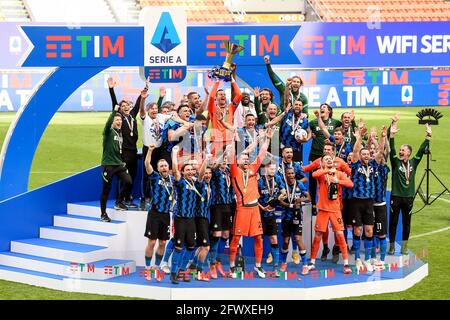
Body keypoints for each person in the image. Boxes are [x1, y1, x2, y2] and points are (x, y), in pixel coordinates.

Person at [229, 127, 274, 279]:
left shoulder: (253, 169)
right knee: (235, 238)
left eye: (248, 158)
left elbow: (261, 155)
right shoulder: (235, 171)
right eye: (243, 158)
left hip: (255, 209)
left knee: (259, 238)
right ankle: (232, 267)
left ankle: (258, 266)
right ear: (237, 161)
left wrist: (267, 139)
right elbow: (232, 155)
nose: (247, 160)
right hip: (242, 210)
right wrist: (234, 139)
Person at [302, 154, 354, 276]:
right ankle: (312, 262)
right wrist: (327, 170)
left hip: (335, 210)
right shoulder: (321, 173)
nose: (329, 160)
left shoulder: (339, 173)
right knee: (318, 235)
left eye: (330, 159)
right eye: (326, 159)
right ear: (323, 163)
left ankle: (346, 264)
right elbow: (314, 174)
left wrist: (338, 180)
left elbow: (350, 184)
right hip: (323, 210)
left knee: (340, 235)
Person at [388, 115, 432, 255]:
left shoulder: (413, 163)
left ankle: (405, 247)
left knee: (407, 224)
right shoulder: (395, 162)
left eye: (403, 150)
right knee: (393, 223)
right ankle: (392, 246)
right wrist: (392, 136)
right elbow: (392, 150)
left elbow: (420, 150)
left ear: (408, 153)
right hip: (395, 197)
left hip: (408, 198)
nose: (400, 152)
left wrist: (428, 137)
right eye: (400, 150)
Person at [350, 125, 386, 272]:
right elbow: (354, 151)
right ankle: (358, 259)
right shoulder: (355, 165)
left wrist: (383, 137)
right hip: (357, 201)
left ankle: (367, 260)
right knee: (357, 230)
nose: (365, 156)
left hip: (369, 202)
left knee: (369, 231)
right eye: (363, 154)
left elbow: (381, 151)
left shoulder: (373, 165)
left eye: (367, 154)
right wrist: (358, 138)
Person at [107, 77, 141, 209]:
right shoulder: (119, 117)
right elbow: (114, 103)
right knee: (124, 177)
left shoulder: (132, 116)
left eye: (128, 105)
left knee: (131, 177)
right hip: (123, 152)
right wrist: (111, 89)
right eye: (123, 106)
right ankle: (118, 201)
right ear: (120, 109)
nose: (126, 107)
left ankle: (127, 198)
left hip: (133, 151)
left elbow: (138, 105)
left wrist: (142, 95)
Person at [142, 144, 175, 281]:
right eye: (161, 166)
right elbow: (146, 163)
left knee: (162, 242)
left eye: (165, 165)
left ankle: (156, 266)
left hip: (166, 215)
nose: (163, 167)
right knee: (151, 242)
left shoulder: (173, 181)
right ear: (158, 168)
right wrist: (150, 150)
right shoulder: (155, 177)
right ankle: (148, 268)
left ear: (169, 167)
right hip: (154, 214)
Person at [168, 145, 200, 284]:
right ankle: (173, 272)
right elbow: (175, 170)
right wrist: (174, 154)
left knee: (192, 246)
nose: (190, 171)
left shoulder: (196, 183)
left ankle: (181, 271)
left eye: (191, 170)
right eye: (186, 170)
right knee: (179, 246)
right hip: (180, 218)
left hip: (191, 219)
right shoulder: (180, 183)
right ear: (183, 172)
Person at [308, 104, 342, 216]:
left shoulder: (336, 122)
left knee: (330, 178)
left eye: (324, 107)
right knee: (313, 180)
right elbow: (310, 133)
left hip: (329, 156)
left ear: (329, 111)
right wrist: (308, 136)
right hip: (315, 155)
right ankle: (313, 204)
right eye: (321, 106)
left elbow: (344, 131)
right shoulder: (313, 122)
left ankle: (333, 202)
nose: (322, 108)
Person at [99, 107, 132, 222]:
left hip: (118, 164)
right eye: (116, 120)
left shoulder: (119, 133)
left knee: (128, 181)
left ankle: (119, 201)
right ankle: (103, 213)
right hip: (108, 165)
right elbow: (107, 124)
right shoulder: (108, 132)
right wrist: (113, 112)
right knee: (106, 190)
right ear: (112, 121)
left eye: (120, 120)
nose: (119, 122)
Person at [278, 167, 311, 272]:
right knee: (286, 241)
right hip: (286, 217)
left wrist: (300, 200)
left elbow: (309, 198)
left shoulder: (299, 184)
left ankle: (305, 265)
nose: (291, 175)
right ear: (286, 175)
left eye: (293, 173)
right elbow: (279, 201)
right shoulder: (283, 185)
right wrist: (288, 205)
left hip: (297, 216)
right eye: (289, 174)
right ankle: (283, 263)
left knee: (298, 239)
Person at [258, 163, 286, 276]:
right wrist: (263, 208)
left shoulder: (278, 178)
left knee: (274, 240)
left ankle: (275, 268)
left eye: (274, 169)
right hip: (260, 214)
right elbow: (254, 197)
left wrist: (279, 198)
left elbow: (283, 192)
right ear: (266, 169)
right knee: (259, 241)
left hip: (271, 215)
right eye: (271, 168)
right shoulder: (259, 180)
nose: (273, 171)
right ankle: (258, 266)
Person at [207, 66, 242, 157]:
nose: (223, 96)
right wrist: (217, 82)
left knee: (230, 165)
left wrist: (232, 80)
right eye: (220, 94)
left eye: (224, 94)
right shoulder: (212, 108)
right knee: (216, 165)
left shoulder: (230, 108)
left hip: (229, 140)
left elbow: (239, 95)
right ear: (216, 97)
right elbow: (211, 97)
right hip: (216, 141)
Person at [371, 128, 389, 270]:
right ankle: (371, 258)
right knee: (370, 233)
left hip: (380, 205)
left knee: (381, 234)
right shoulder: (369, 167)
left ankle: (382, 260)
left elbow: (382, 151)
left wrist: (382, 138)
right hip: (369, 205)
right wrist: (372, 139)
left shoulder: (383, 168)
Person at [193, 155, 214, 281]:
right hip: (199, 218)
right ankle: (199, 273)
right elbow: (200, 176)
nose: (207, 175)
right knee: (206, 247)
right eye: (205, 172)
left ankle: (193, 267)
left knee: (201, 247)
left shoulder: (209, 185)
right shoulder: (200, 184)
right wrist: (206, 160)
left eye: (209, 173)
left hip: (205, 219)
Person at [280, 89, 310, 162]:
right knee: (283, 168)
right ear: (293, 106)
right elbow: (285, 101)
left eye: (300, 105)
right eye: (296, 104)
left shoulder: (305, 119)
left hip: (297, 149)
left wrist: (306, 139)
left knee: (296, 170)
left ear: (302, 107)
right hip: (284, 147)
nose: (298, 106)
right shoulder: (287, 114)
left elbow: (309, 132)